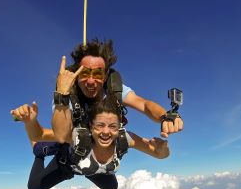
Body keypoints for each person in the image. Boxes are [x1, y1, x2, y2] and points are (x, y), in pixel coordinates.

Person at [10, 94, 170, 189]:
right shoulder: (78, 135)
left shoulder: (125, 138)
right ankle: (41, 152)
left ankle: (85, 165)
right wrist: (30, 121)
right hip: (66, 163)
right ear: (91, 126)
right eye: (100, 125)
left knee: (111, 187)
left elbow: (159, 155)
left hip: (92, 168)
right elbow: (39, 134)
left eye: (112, 126)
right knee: (35, 187)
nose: (106, 132)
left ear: (119, 127)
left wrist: (163, 149)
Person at [51, 39, 184, 145]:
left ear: (105, 77)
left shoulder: (113, 90)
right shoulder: (65, 93)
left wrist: (165, 116)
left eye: (97, 74)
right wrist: (62, 94)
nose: (91, 81)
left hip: (100, 156)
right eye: (84, 73)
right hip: (71, 156)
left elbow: (143, 104)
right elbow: (62, 136)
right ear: (76, 75)